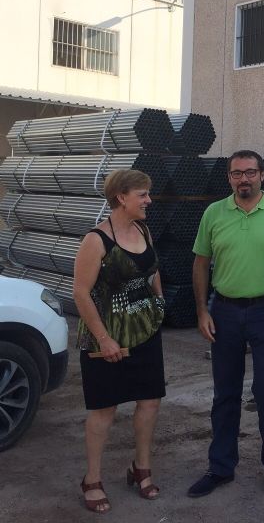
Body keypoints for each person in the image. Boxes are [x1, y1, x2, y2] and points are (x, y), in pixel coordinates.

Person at [188, 150, 264, 501]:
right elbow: (200, 264)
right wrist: (202, 311)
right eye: (237, 173)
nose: (244, 179)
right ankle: (221, 466)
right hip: (224, 312)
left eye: (250, 172)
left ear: (262, 175)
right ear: (229, 177)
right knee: (225, 393)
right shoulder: (214, 213)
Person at [73, 169, 166, 513]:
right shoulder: (96, 240)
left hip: (145, 331)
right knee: (104, 409)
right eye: (142, 194)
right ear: (121, 197)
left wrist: (159, 301)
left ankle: (141, 469)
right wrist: (104, 338)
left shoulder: (143, 230)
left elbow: (152, 270)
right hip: (107, 338)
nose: (148, 200)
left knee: (150, 402)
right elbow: (81, 293)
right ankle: (92, 479)